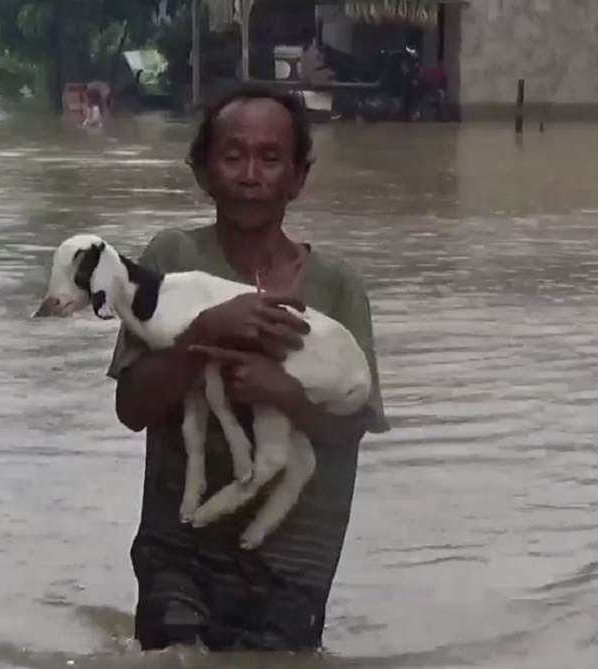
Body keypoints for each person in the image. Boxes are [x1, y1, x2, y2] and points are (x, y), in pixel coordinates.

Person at [106, 85, 388, 652]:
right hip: (178, 541)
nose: (250, 174)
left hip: (293, 554)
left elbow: (354, 427)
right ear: (203, 172)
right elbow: (132, 409)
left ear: (298, 177)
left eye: (270, 157)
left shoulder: (336, 287)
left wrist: (285, 393)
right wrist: (205, 332)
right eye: (233, 156)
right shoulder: (172, 261)